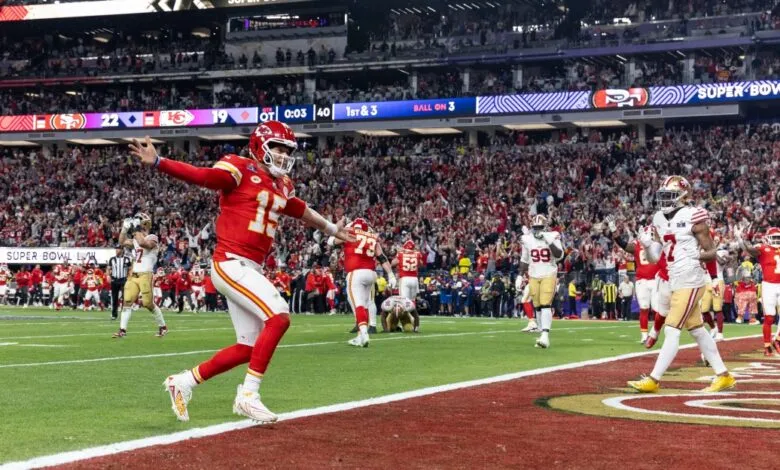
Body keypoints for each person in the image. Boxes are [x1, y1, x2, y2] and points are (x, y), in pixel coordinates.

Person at [129, 121, 353, 424]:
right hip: (231, 262)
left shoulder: (282, 184)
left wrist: (331, 229)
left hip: (249, 267)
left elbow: (299, 209)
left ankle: (182, 382)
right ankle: (248, 395)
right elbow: (203, 176)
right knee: (279, 316)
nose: (283, 155)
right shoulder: (240, 168)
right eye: (277, 148)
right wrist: (159, 161)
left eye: (288, 150)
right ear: (260, 147)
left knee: (247, 347)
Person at [628, 175, 735, 393]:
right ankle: (723, 375)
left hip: (691, 279)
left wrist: (704, 256)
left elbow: (710, 251)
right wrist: (647, 245)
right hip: (674, 279)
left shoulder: (693, 216)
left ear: (683, 196)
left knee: (671, 329)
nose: (665, 200)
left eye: (670, 195)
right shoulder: (658, 218)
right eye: (663, 195)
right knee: (697, 330)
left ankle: (653, 379)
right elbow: (656, 257)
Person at [328, 217, 396, 347]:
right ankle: (360, 335)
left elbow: (330, 241)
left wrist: (340, 226)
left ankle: (364, 335)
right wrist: (391, 274)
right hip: (371, 273)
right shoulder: (372, 236)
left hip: (356, 272)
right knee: (365, 305)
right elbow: (382, 257)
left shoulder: (350, 232)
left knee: (357, 304)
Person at [112, 213, 168, 338]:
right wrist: (124, 229)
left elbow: (144, 243)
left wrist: (136, 229)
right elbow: (121, 242)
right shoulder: (136, 239)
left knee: (148, 303)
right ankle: (122, 330)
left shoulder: (152, 237)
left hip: (145, 274)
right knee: (127, 301)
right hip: (134, 275)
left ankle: (163, 326)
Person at [606, 215, 660, 341]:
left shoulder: (658, 244)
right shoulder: (637, 244)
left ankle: (654, 333)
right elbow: (622, 243)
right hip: (642, 280)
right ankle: (644, 336)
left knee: (657, 309)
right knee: (644, 308)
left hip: (656, 280)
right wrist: (613, 229)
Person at [519, 214, 563, 348]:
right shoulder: (527, 239)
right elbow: (524, 259)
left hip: (548, 273)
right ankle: (541, 333)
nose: (537, 230)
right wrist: (520, 275)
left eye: (540, 227)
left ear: (545, 227)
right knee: (537, 305)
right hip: (533, 274)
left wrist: (548, 241)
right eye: (535, 227)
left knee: (545, 304)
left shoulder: (552, 236)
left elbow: (559, 255)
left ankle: (545, 335)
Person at [735, 224, 780, 355]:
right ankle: (767, 346)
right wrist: (740, 239)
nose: (777, 240)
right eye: (774, 238)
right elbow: (748, 249)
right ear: (768, 238)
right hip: (769, 286)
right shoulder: (763, 248)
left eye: (778, 238)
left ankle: (777, 340)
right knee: (769, 318)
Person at [107, 247, 131, 320]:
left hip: (124, 279)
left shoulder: (127, 259)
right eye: (116, 249)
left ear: (122, 250)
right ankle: (114, 314)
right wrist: (108, 276)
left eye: (118, 249)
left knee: (125, 297)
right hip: (114, 279)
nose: (117, 250)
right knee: (114, 298)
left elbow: (130, 269)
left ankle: (124, 313)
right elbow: (108, 268)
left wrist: (129, 277)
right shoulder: (112, 259)